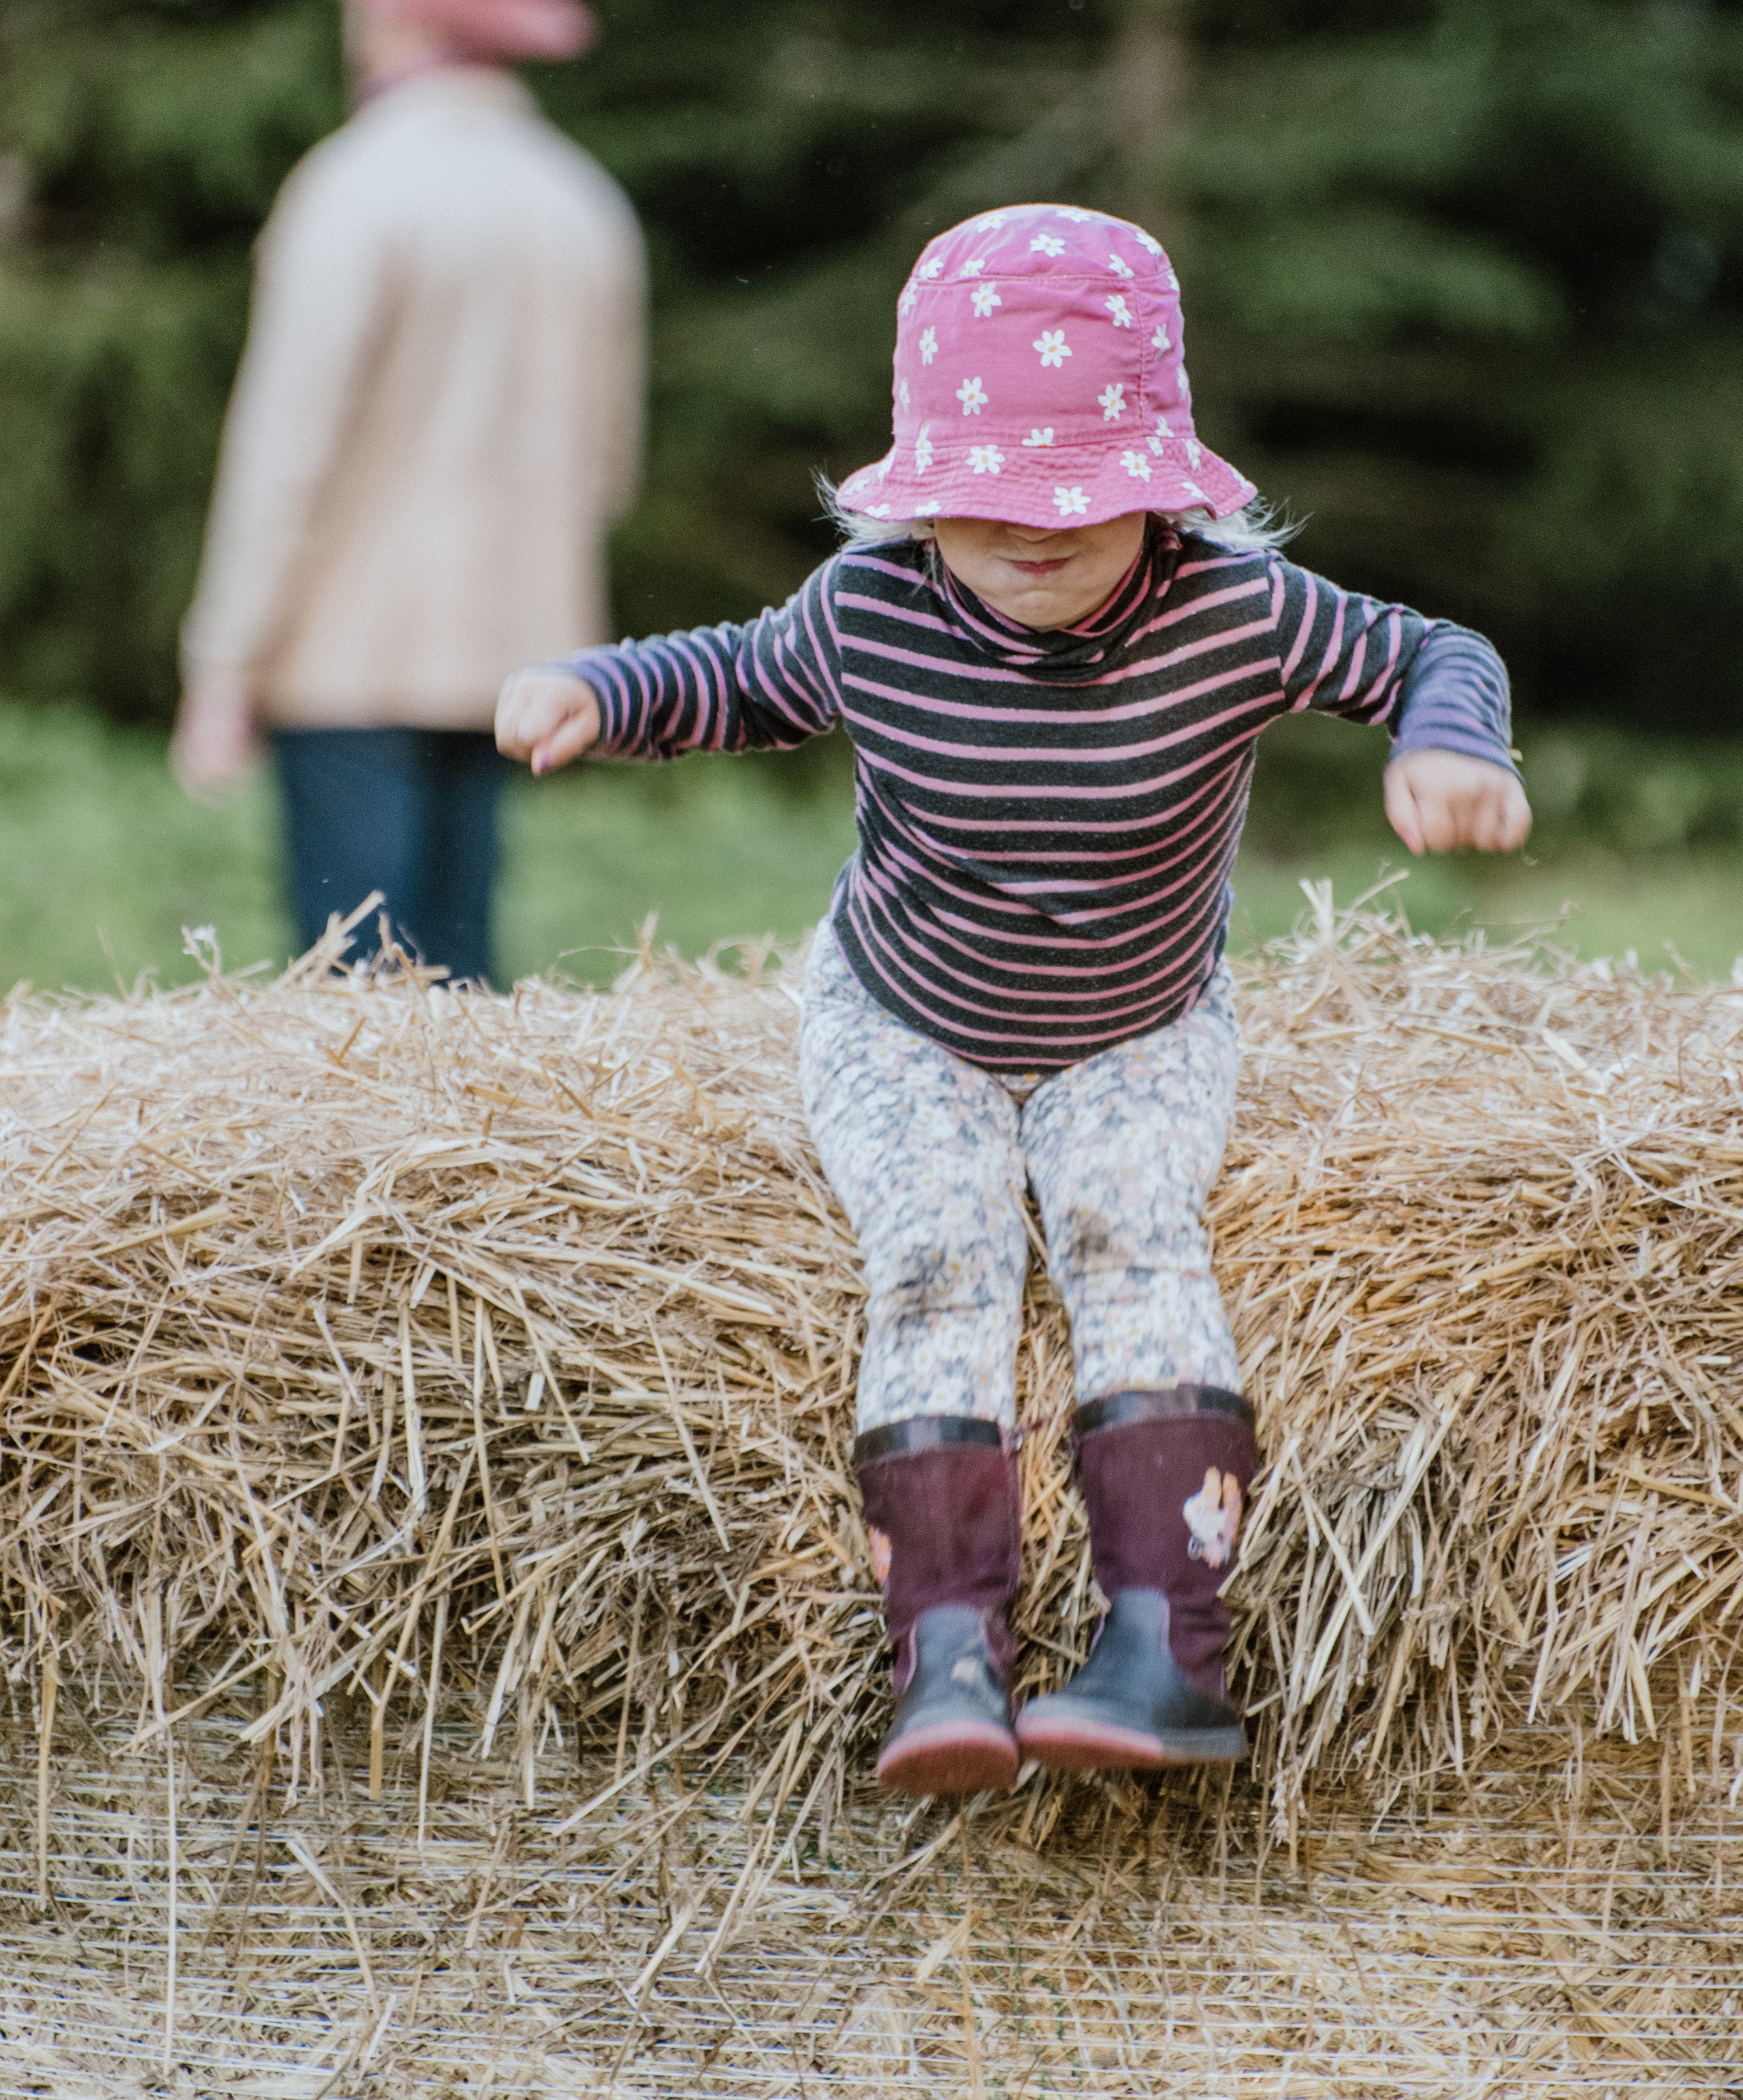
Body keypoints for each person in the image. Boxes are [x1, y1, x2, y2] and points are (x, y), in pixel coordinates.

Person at [494, 204, 1531, 1793]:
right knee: (936, 1248)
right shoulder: (871, 614)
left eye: (1080, 501)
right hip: (905, 1017)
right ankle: (946, 1645)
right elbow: (728, 674)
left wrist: (1447, 743)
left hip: (1136, 1022)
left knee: (1133, 1234)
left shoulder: (1234, 616)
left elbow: (1428, 647)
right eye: (981, 504)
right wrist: (593, 689)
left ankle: (1159, 1645)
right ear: (915, 494)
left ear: (1161, 482)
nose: (1028, 533)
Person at [173, 0, 646, 986]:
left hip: (349, 654)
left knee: (356, 1005)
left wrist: (222, 662)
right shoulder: (580, 200)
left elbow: (288, 454)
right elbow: (607, 465)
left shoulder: (353, 188)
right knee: (464, 998)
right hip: (514, 660)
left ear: (395, 7)